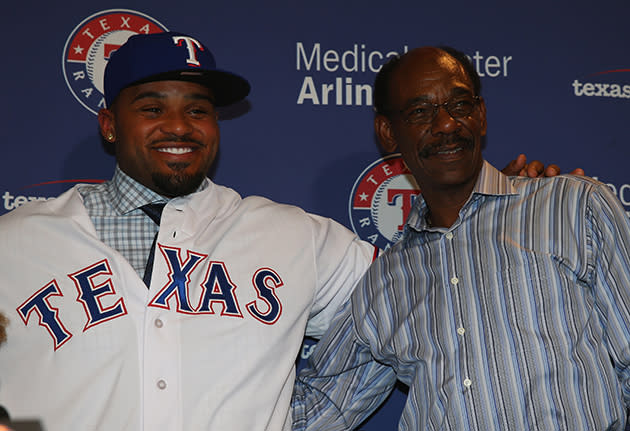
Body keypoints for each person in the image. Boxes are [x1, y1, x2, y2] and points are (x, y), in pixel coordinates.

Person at [0, 32, 566, 431]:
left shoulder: (298, 238)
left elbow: (435, 282)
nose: (179, 126)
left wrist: (500, 207)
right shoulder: (16, 243)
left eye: (198, 110)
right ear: (108, 124)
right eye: (152, 107)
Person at [292, 46, 630, 431]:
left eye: (459, 104)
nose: (447, 124)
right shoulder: (383, 281)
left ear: (481, 115)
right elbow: (320, 407)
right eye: (420, 112)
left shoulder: (572, 206)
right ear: (388, 132)